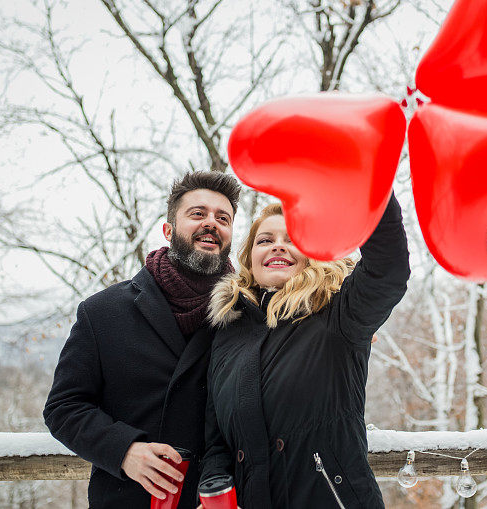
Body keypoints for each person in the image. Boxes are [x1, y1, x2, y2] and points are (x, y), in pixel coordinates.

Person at [43, 171, 241, 508]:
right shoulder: (102, 312)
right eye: (198, 213)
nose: (212, 223)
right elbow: (64, 407)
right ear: (168, 231)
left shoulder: (247, 315)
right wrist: (123, 450)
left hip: (222, 499)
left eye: (223, 218)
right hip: (129, 499)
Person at [200, 193, 410, 508]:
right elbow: (217, 444)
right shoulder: (226, 337)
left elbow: (388, 270)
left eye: (293, 238)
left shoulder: (339, 317)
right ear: (250, 259)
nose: (277, 245)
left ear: (312, 254)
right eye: (265, 240)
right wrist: (215, 488)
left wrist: (370, 185)